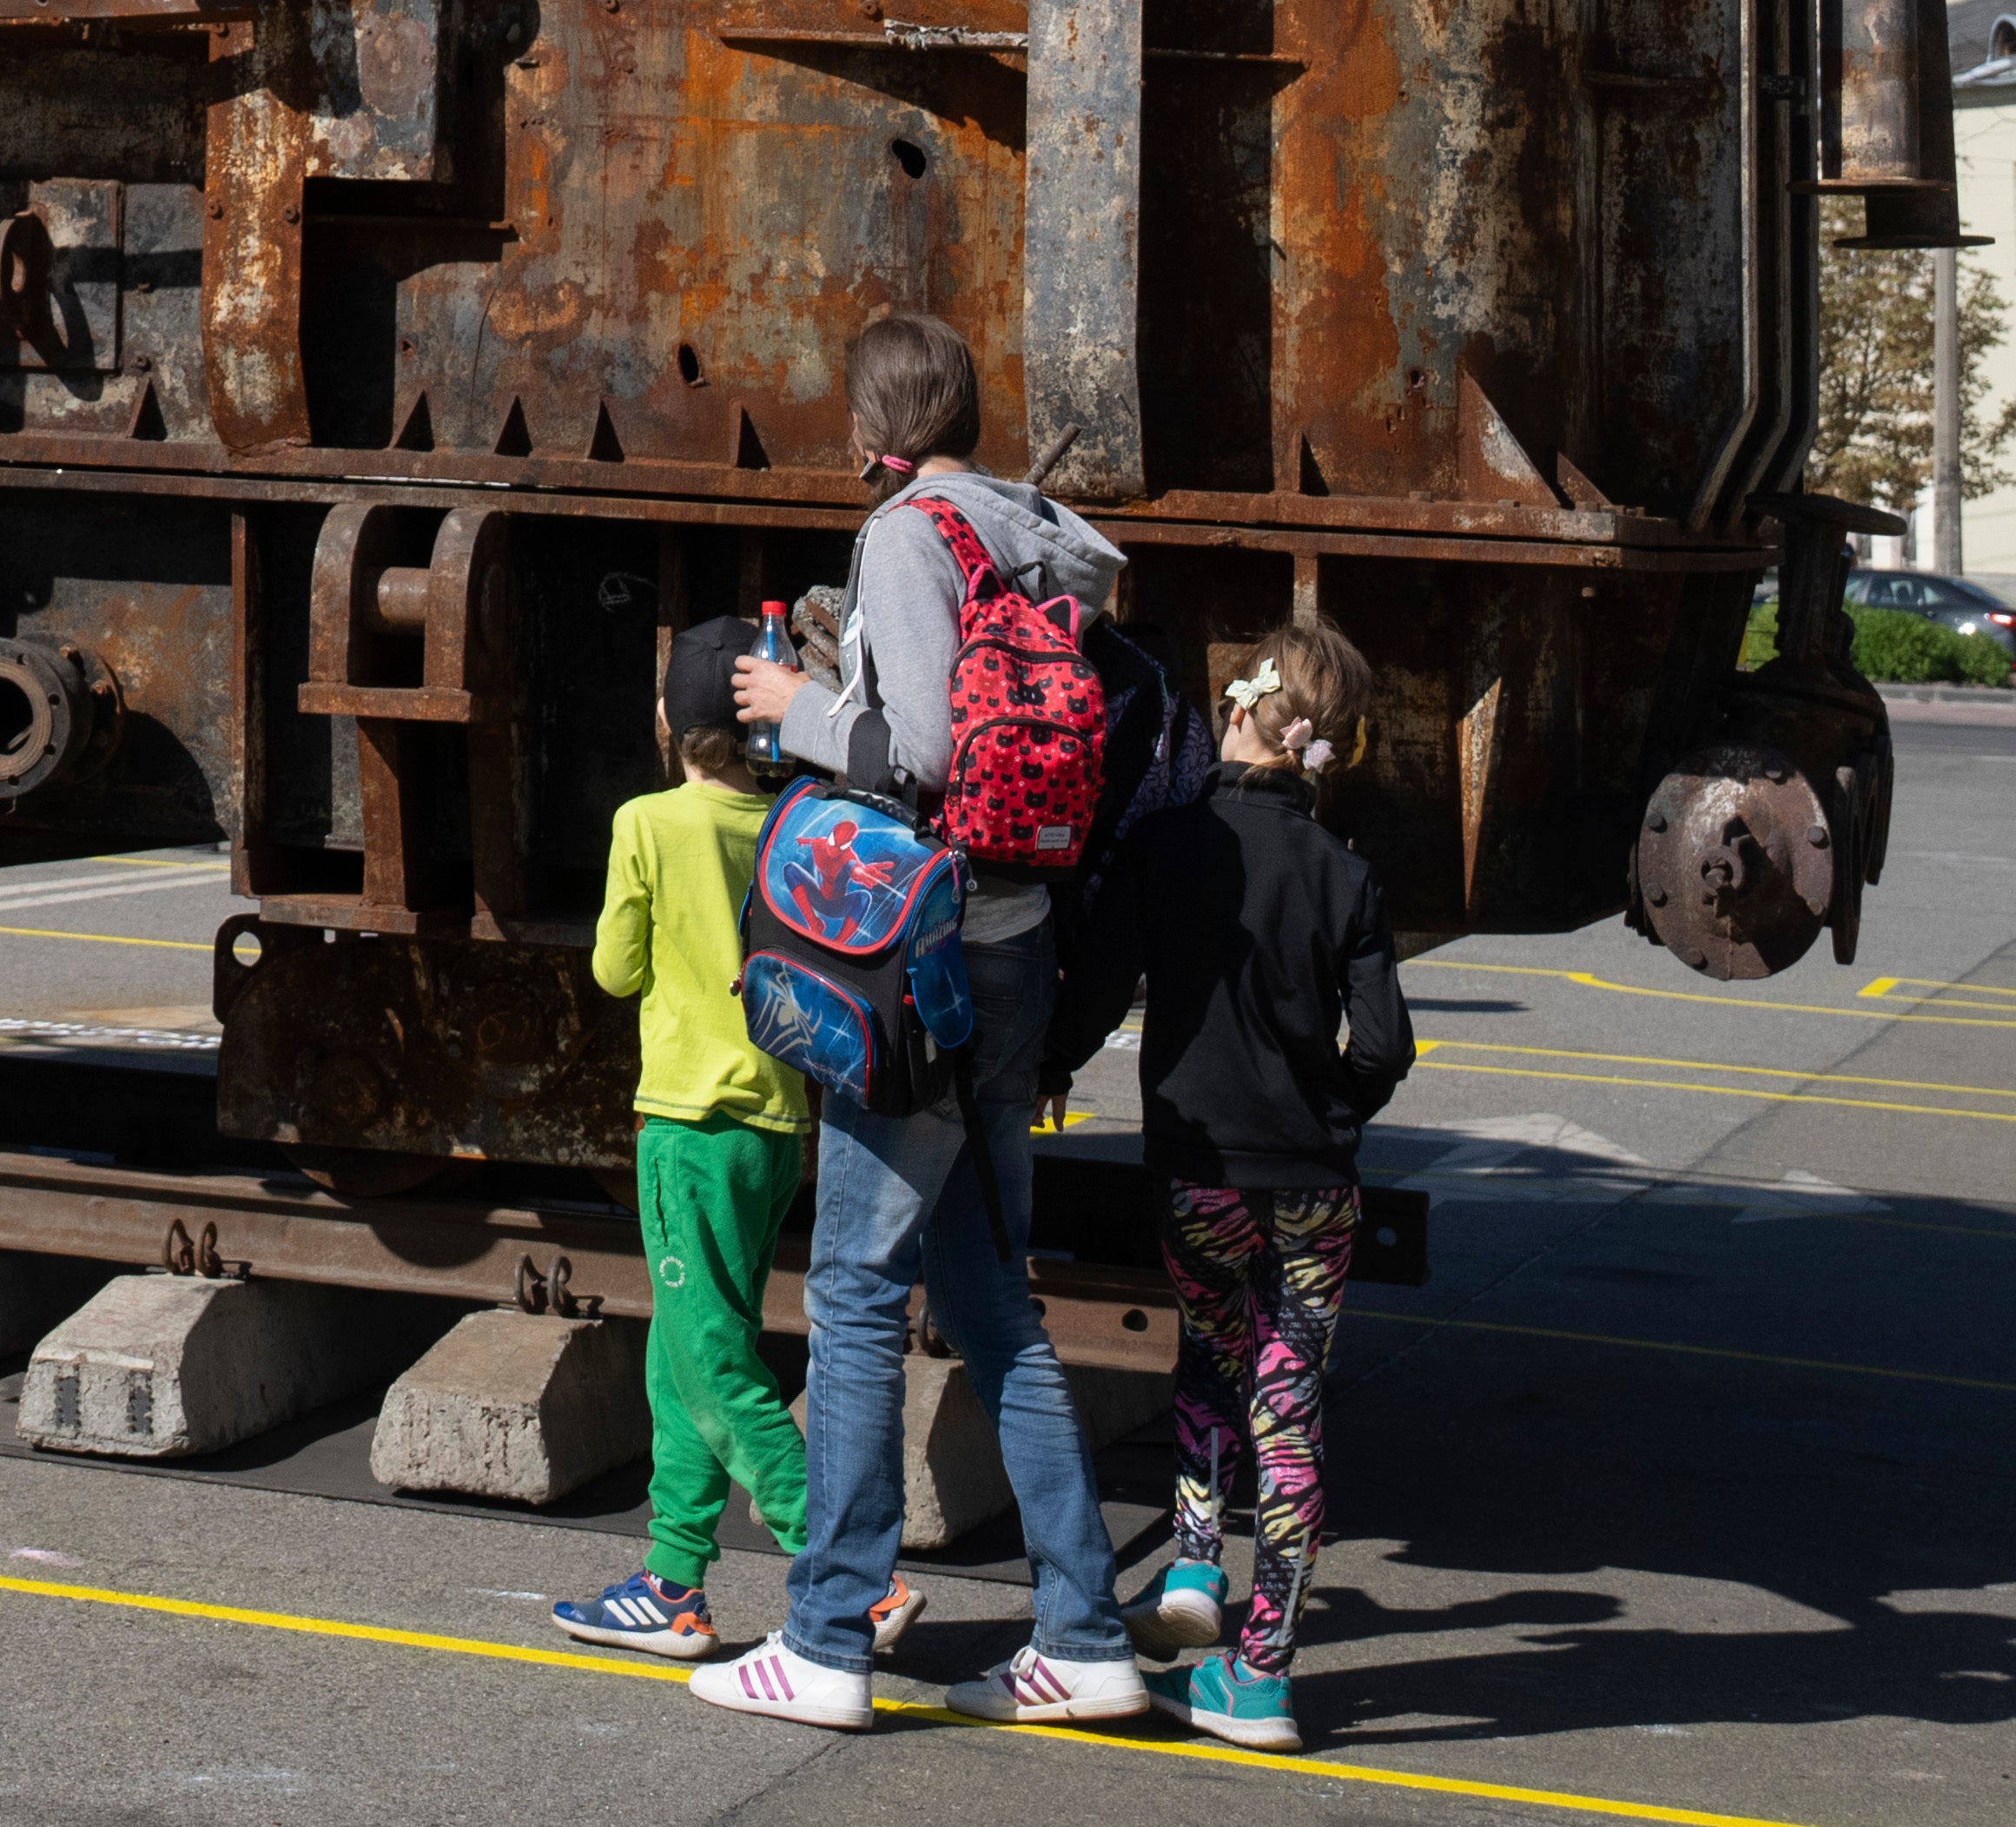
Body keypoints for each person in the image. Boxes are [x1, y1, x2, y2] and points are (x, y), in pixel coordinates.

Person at [703, 308, 1153, 1735]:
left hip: (931, 958)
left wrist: (794, 704)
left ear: (873, 424)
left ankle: (825, 1633)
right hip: (1019, 941)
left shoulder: (908, 532)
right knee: (984, 1298)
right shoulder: (1037, 532)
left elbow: (919, 753)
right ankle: (1080, 1632)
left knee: (846, 1289)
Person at [1102, 617, 1414, 1752]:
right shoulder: (1348, 873)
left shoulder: (1173, 842)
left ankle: (1192, 1562)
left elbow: (1102, 975)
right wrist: (1326, 1114)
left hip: (1203, 1173)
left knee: (1208, 1346)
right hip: (1317, 1187)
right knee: (1292, 1410)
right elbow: (1383, 1045)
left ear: (1240, 710)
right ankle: (1262, 1675)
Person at [559, 617, 823, 1658]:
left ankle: (845, 1562)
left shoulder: (647, 821)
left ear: (667, 718)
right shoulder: (791, 821)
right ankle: (671, 1578)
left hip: (686, 1119)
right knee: (682, 1354)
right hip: (775, 1121)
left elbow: (614, 970)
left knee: (709, 1358)